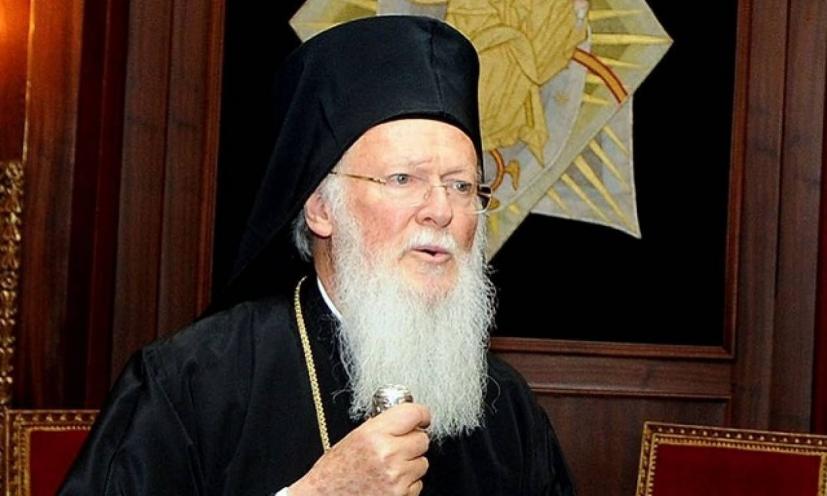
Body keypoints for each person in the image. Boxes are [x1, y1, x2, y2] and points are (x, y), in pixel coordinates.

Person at [60, 15, 576, 496]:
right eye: (403, 179)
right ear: (320, 208)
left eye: (461, 186)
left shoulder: (507, 408)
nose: (441, 210)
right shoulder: (193, 381)